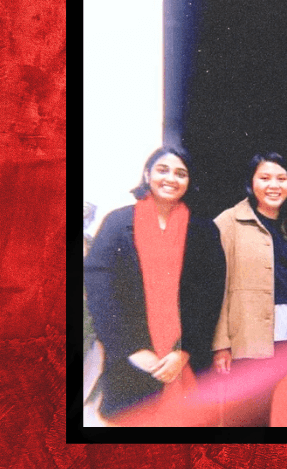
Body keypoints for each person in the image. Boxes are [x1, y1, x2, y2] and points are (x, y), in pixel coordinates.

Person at [84, 146, 225, 425]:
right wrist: (132, 349)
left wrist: (184, 351)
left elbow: (210, 296)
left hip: (184, 361)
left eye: (181, 173)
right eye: (163, 170)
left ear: (189, 181)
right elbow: (101, 291)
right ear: (148, 174)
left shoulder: (203, 230)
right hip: (131, 361)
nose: (171, 178)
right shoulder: (118, 223)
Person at [211, 152, 287, 426]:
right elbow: (216, 287)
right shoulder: (228, 222)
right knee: (248, 416)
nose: (274, 185)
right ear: (251, 182)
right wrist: (221, 345)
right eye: (265, 178)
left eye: (281, 179)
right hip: (247, 338)